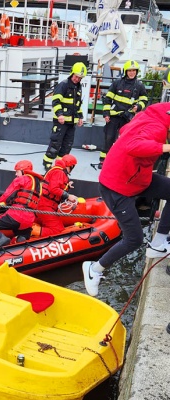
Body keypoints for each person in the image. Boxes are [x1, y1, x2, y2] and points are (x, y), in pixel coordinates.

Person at [83, 102, 170, 297]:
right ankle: (94, 269)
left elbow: (124, 130)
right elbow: (133, 145)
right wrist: (164, 147)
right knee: (134, 239)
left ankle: (158, 243)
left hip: (136, 178)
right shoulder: (157, 128)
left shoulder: (153, 116)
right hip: (118, 187)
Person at [0, 160, 42, 247]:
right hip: (29, 219)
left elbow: (7, 194)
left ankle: (1, 238)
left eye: (17, 171)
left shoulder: (22, 179)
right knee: (22, 234)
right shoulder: (38, 185)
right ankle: (20, 240)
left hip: (16, 215)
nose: (16, 174)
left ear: (23, 171)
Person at [100, 60, 148, 167]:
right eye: (129, 70)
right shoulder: (117, 83)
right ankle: (103, 160)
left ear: (136, 72)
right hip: (114, 115)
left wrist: (138, 106)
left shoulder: (139, 86)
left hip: (128, 117)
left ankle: (118, 161)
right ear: (125, 71)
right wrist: (106, 114)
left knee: (124, 140)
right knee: (109, 137)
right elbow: (108, 99)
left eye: (133, 71)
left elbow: (144, 100)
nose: (131, 73)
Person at [41, 62, 86, 170]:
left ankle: (60, 163)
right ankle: (47, 162)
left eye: (80, 78)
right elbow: (56, 101)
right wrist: (59, 115)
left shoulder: (78, 87)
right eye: (76, 77)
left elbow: (78, 105)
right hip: (61, 121)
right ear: (72, 74)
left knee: (68, 144)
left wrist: (80, 117)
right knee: (56, 142)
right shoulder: (63, 85)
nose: (77, 79)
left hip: (72, 122)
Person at [35, 154, 79, 236]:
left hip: (45, 205)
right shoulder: (59, 172)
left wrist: (67, 186)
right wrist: (68, 196)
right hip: (45, 206)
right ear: (70, 166)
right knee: (57, 230)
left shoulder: (57, 171)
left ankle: (36, 231)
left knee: (53, 225)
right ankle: (33, 231)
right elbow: (53, 189)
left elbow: (54, 186)